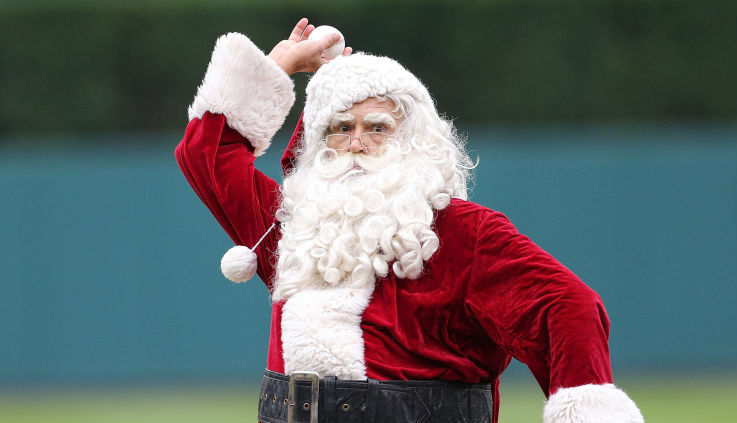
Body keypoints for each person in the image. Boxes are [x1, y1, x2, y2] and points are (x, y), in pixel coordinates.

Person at [176, 18, 644, 423]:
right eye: (340, 128)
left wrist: (587, 407)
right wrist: (278, 66)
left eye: (377, 127)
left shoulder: (465, 232)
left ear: (414, 140)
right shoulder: (294, 228)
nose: (357, 142)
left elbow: (566, 308)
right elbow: (206, 154)